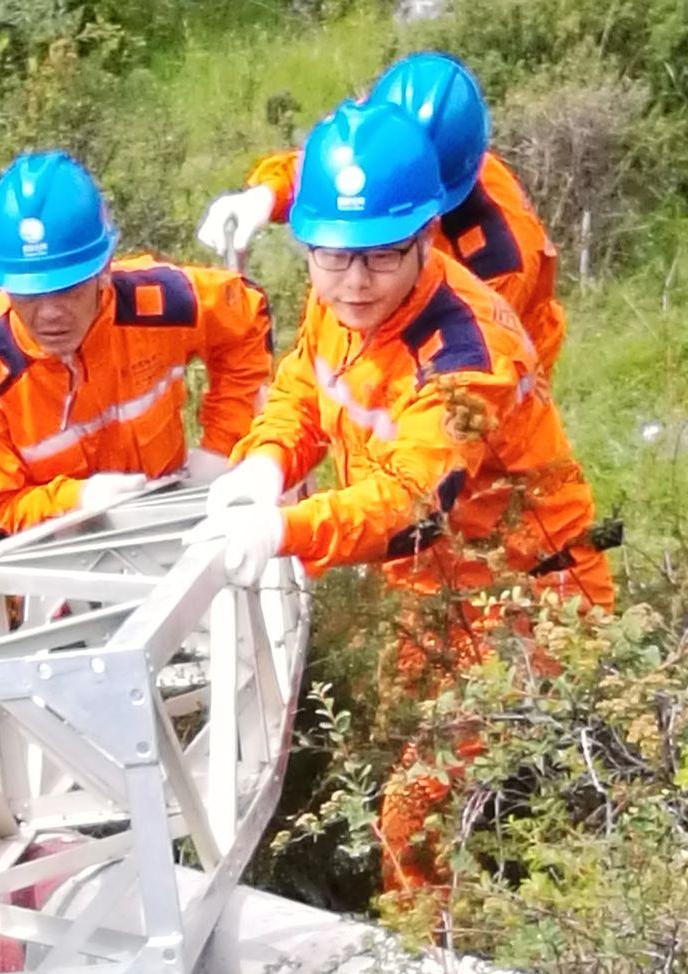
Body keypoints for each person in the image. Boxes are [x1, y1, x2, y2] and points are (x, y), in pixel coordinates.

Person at [207, 100, 613, 899]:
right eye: (333, 258)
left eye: (382, 258)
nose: (354, 281)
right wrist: (262, 463)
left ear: (428, 237)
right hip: (431, 593)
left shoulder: (468, 358)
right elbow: (301, 388)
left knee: (413, 809)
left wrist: (284, 527)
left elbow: (407, 499)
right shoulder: (344, 289)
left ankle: (444, 969)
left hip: (526, 599)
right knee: (395, 740)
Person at [0, 150, 274, 543]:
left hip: (170, 527)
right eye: (29, 293)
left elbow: (246, 317)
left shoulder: (162, 305)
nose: (49, 313)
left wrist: (222, 446)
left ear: (103, 269)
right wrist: (78, 501)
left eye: (67, 288)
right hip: (52, 573)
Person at [199, 53, 565, 377]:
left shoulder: (499, 261)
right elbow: (338, 173)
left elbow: (447, 361)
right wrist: (266, 194)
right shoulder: (389, 144)